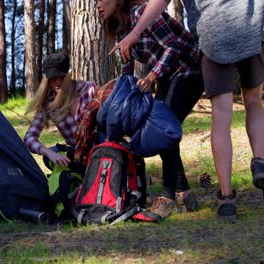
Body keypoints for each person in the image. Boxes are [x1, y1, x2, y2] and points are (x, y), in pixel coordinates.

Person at [111, 0, 264, 222]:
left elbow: (163, 8)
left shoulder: (139, 16)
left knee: (220, 114)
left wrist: (137, 33)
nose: (97, 5)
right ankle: (259, 161)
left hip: (208, 41)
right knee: (252, 100)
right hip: (250, 24)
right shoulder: (120, 27)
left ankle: (226, 198)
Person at [95, 0, 204, 219]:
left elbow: (173, 46)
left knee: (162, 128)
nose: (97, 5)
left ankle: (167, 196)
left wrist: (152, 75)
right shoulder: (121, 30)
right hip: (167, 77)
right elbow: (127, 73)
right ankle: (184, 190)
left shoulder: (143, 13)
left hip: (188, 72)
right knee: (160, 131)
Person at [24, 53, 98, 169]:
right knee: (49, 156)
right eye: (53, 78)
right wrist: (48, 153)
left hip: (99, 147)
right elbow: (29, 138)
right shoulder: (48, 103)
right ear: (47, 79)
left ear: (68, 75)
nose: (58, 81)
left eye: (61, 77)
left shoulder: (89, 89)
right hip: (77, 153)